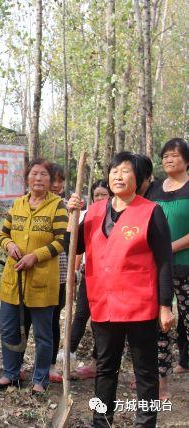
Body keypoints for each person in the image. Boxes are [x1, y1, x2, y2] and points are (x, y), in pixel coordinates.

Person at [67, 151, 175, 427]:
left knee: (146, 371)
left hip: (140, 305)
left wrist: (165, 306)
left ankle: (145, 423)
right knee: (105, 368)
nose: (118, 175)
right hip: (103, 304)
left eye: (125, 171)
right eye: (114, 170)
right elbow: (74, 246)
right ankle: (101, 421)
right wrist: (73, 216)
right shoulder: (95, 211)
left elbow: (164, 261)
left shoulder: (151, 211)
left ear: (138, 178)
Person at [0, 158, 68, 394]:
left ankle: (39, 380)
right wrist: (9, 244)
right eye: (34, 174)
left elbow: (62, 240)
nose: (38, 178)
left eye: (44, 175)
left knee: (43, 334)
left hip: (43, 282)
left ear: (51, 180)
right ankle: (11, 374)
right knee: (9, 328)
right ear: (27, 178)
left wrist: (36, 255)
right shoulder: (17, 205)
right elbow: (2, 234)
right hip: (14, 280)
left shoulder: (58, 206)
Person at [145, 138, 189, 399]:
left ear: (186, 160)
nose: (168, 159)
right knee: (158, 325)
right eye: (165, 156)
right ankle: (160, 384)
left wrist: (169, 247)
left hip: (185, 266)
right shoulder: (154, 188)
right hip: (157, 268)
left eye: (174, 155)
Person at [64, 180, 112, 380]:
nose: (100, 198)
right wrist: (71, 216)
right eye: (97, 195)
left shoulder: (117, 215)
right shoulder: (88, 215)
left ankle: (99, 361)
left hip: (112, 277)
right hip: (90, 273)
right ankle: (70, 351)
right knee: (82, 313)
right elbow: (73, 247)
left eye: (104, 194)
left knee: (104, 321)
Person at [49, 163, 67, 382]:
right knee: (25, 320)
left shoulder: (66, 206)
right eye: (52, 180)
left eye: (59, 181)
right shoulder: (26, 204)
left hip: (59, 272)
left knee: (53, 319)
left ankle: (51, 365)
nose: (56, 185)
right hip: (30, 270)